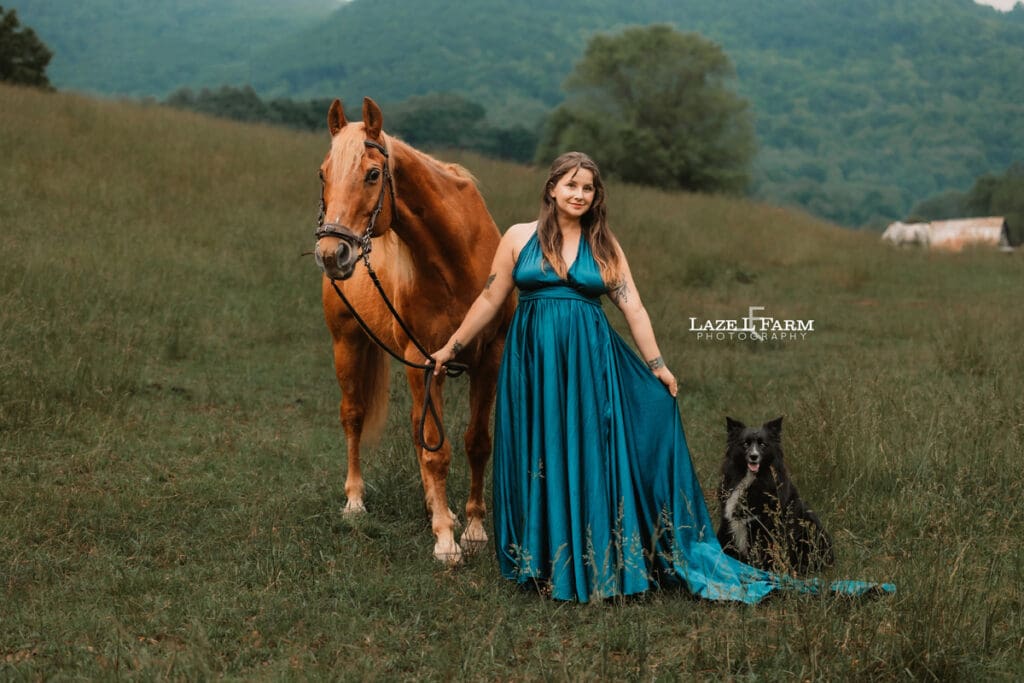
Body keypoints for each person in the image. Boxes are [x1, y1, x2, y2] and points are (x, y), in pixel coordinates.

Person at [432, 152, 891, 603]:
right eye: (570, 185)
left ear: (596, 197)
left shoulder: (604, 246)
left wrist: (658, 367)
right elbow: (490, 300)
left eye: (587, 188)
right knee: (539, 451)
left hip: (590, 365)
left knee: (587, 453)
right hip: (532, 365)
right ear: (552, 188)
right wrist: (451, 347)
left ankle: (593, 562)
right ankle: (539, 562)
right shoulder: (517, 237)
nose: (578, 194)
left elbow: (633, 307)